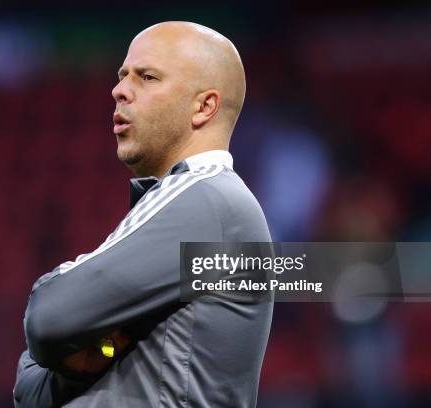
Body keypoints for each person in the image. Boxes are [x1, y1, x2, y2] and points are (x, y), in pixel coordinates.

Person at [14, 21, 273, 407]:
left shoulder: (205, 199)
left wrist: (59, 358)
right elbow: (32, 392)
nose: (119, 90)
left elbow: (47, 316)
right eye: (122, 76)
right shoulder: (198, 203)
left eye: (147, 77)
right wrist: (71, 366)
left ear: (204, 107)